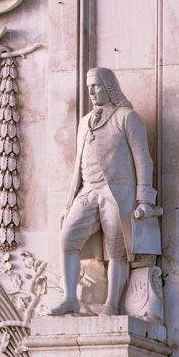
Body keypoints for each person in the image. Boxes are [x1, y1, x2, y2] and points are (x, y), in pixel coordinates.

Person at [49, 67, 157, 317]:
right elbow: (77, 165)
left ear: (109, 87)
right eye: (89, 87)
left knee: (117, 250)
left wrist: (144, 200)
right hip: (88, 190)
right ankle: (69, 298)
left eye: (96, 86)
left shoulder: (127, 117)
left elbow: (143, 160)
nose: (91, 91)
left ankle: (112, 304)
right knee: (67, 240)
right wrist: (68, 203)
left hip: (117, 193)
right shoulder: (85, 121)